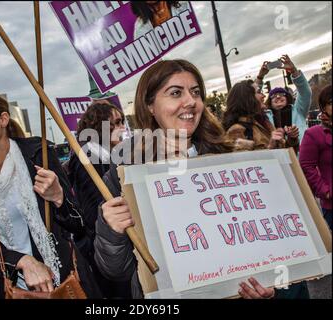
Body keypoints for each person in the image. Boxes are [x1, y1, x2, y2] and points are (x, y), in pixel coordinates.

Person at [94, 59, 279, 299]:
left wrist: (263, 281)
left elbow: (258, 243)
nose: (190, 101)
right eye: (175, 93)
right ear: (150, 105)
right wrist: (112, 232)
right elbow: (116, 271)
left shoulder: (230, 160)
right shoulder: (125, 175)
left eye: (195, 92)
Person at [0, 91, 101, 298]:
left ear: (3, 119)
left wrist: (59, 198)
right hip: (14, 289)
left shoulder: (38, 153)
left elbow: (80, 225)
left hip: (65, 282)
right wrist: (22, 261)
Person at [67, 102, 131, 298]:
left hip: (116, 243)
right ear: (101, 126)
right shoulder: (88, 157)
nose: (123, 128)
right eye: (117, 122)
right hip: (103, 247)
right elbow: (92, 211)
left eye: (123, 122)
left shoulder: (110, 154)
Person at [223, 79, 299, 151]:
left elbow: (286, 155)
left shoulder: (265, 122)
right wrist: (270, 148)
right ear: (248, 98)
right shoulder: (237, 130)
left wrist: (292, 138)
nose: (264, 96)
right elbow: (244, 163)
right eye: (259, 92)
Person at [256, 55, 312, 143]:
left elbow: (306, 92)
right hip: (277, 155)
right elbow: (253, 97)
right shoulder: (264, 116)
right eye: (274, 96)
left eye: (281, 94)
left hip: (301, 154)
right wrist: (260, 76)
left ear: (288, 98)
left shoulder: (298, 110)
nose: (278, 97)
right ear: (270, 102)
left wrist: (293, 71)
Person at [300, 85, 332, 230]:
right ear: (324, 108)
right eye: (331, 102)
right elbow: (306, 166)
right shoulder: (314, 134)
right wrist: (324, 190)